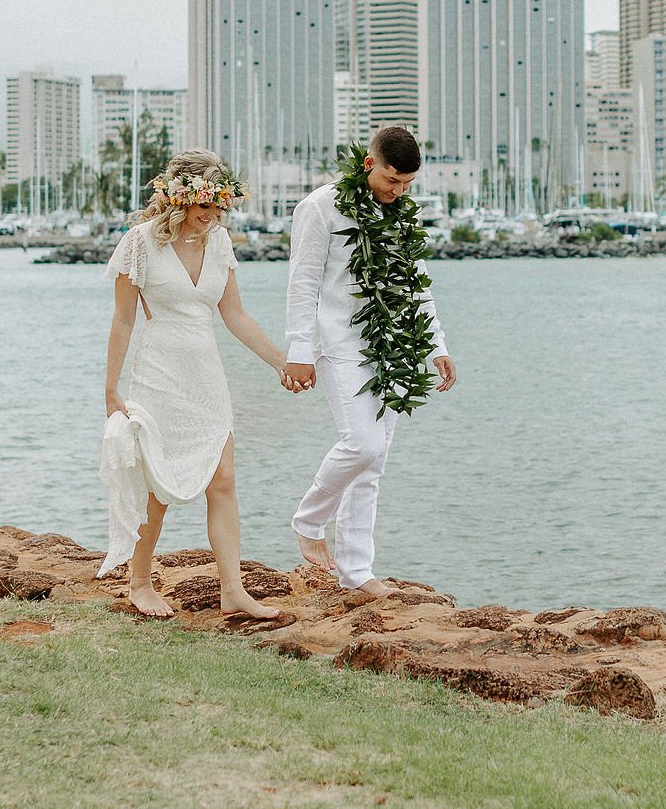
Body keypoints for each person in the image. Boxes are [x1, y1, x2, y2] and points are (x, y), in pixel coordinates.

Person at [98, 149, 301, 619]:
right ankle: (140, 582)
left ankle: (233, 589)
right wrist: (112, 389)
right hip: (158, 373)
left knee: (224, 479)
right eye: (202, 209)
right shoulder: (139, 243)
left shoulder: (220, 243)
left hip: (206, 375)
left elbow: (234, 314)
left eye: (217, 211)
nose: (209, 219)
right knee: (157, 485)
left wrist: (281, 363)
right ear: (177, 200)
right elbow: (123, 321)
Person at [286, 125, 457, 598]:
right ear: (368, 164)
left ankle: (357, 572)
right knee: (360, 444)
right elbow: (302, 284)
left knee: (374, 462)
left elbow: (416, 285)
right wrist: (299, 352)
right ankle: (309, 518)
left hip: (391, 347)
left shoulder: (401, 215)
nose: (398, 192)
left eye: (407, 185)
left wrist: (435, 346)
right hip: (339, 344)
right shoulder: (320, 207)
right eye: (391, 181)